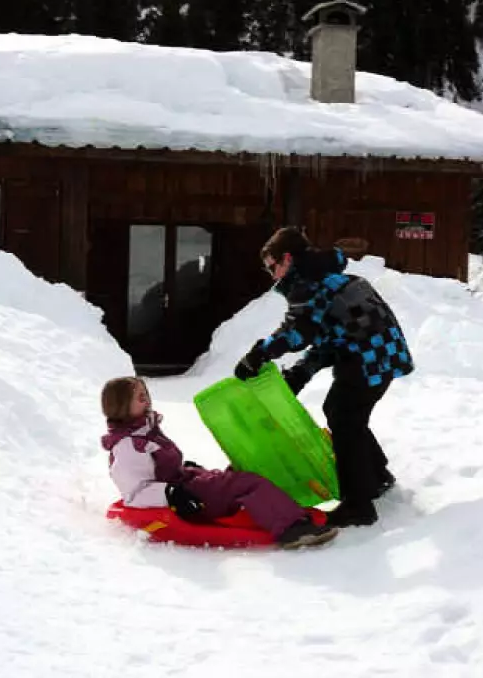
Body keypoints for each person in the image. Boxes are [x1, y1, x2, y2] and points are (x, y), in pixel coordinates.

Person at [234, 227, 414, 528]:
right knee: (342, 413)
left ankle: (358, 505)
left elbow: (296, 334)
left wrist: (257, 355)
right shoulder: (329, 279)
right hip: (380, 356)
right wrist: (301, 373)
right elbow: (331, 335)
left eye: (272, 267)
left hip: (368, 360)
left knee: (345, 418)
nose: (272, 276)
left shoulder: (309, 286)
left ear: (287, 259)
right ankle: (376, 476)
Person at [100, 376, 338, 549]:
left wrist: (183, 470)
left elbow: (159, 467)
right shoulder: (128, 445)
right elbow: (134, 492)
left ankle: (281, 510)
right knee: (248, 483)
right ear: (121, 405)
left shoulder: (143, 430)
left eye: (146, 394)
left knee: (241, 470)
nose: (147, 400)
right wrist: (171, 493)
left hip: (185, 482)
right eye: (139, 397)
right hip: (181, 496)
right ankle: (291, 530)